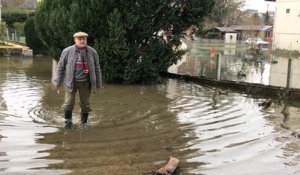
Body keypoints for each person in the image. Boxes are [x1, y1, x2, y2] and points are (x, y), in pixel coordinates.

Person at [53, 31, 102, 128]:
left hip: (86, 83)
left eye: (84, 39)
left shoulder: (92, 52)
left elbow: (97, 68)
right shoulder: (67, 51)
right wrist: (57, 82)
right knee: (68, 103)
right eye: (80, 39)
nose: (82, 41)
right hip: (70, 82)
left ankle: (84, 123)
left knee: (85, 105)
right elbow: (60, 67)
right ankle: (68, 123)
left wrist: (98, 83)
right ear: (75, 40)